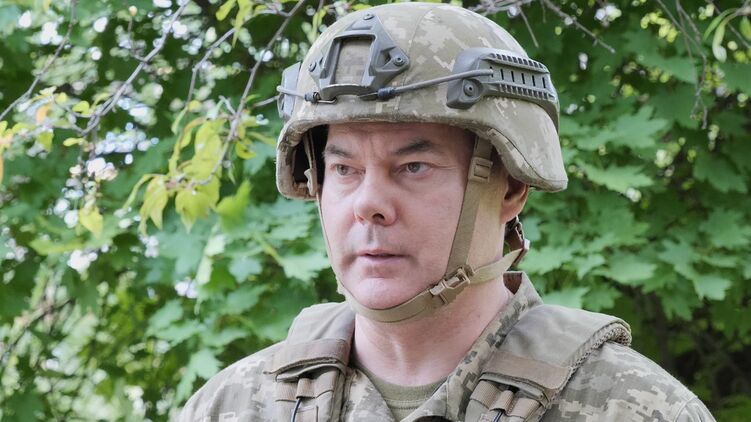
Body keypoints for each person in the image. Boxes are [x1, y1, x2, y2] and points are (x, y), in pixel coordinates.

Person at [179, 3, 714, 421]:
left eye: (413, 167)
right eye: (344, 169)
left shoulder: (634, 409)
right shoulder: (233, 406)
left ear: (511, 187)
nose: (368, 205)